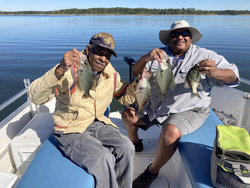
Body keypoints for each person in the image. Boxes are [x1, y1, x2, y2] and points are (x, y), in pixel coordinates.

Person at [122, 20, 240, 188]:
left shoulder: (206, 55)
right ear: (169, 39)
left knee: (169, 133)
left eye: (184, 34)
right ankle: (136, 143)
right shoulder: (158, 54)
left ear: (191, 38)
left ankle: (152, 171)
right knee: (127, 115)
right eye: (175, 34)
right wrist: (145, 59)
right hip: (156, 106)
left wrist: (215, 72)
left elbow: (234, 75)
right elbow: (136, 71)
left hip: (189, 109)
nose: (180, 37)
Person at [28, 32, 139, 188]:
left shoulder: (111, 74)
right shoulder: (69, 69)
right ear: (88, 49)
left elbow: (125, 98)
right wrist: (59, 70)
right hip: (70, 128)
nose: (103, 58)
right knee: (102, 158)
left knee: (127, 147)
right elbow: (36, 97)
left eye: (107, 55)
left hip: (96, 123)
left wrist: (138, 84)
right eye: (99, 52)